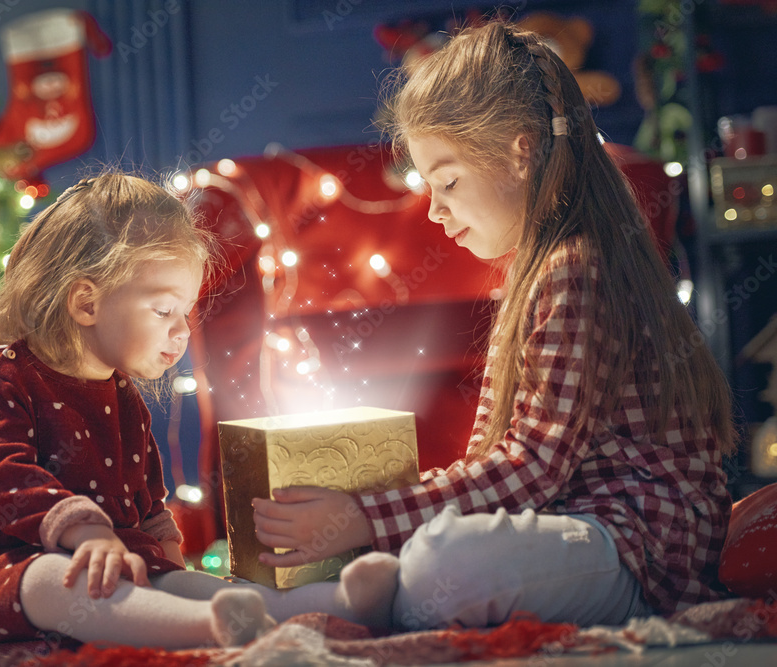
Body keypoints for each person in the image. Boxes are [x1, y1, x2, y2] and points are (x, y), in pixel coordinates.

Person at [252, 21, 737, 631]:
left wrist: (365, 518)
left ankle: (338, 608)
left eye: (448, 182)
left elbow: (532, 468)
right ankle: (331, 606)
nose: (434, 211)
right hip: (587, 530)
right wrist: (388, 512)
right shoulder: (539, 272)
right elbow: (496, 461)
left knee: (446, 562)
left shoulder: (577, 267)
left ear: (521, 149)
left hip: (639, 549)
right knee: (439, 549)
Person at [0, 172, 397, 652]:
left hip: (105, 551)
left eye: (186, 313)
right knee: (54, 582)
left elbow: (145, 496)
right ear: (86, 303)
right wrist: (86, 530)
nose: (182, 332)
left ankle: (329, 604)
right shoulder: (6, 376)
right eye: (163, 311)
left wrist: (170, 566)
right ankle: (204, 628)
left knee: (180, 581)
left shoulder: (123, 396)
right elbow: (3, 476)